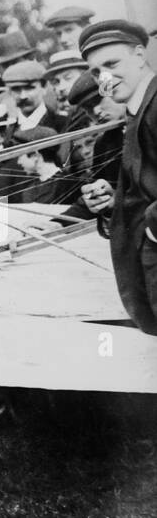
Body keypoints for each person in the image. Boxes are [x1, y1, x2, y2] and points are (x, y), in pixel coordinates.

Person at [79, 18, 157, 334]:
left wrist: (152, 230)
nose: (105, 79)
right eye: (97, 72)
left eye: (112, 64)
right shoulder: (137, 110)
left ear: (140, 55)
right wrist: (115, 202)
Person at [10, 126, 78, 205]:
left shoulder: (66, 184)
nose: (19, 162)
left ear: (35, 156)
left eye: (20, 156)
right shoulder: (31, 186)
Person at [4, 61, 66, 132]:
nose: (23, 96)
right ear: (10, 92)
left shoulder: (63, 124)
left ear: (44, 87)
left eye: (29, 88)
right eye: (16, 89)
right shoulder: (8, 132)